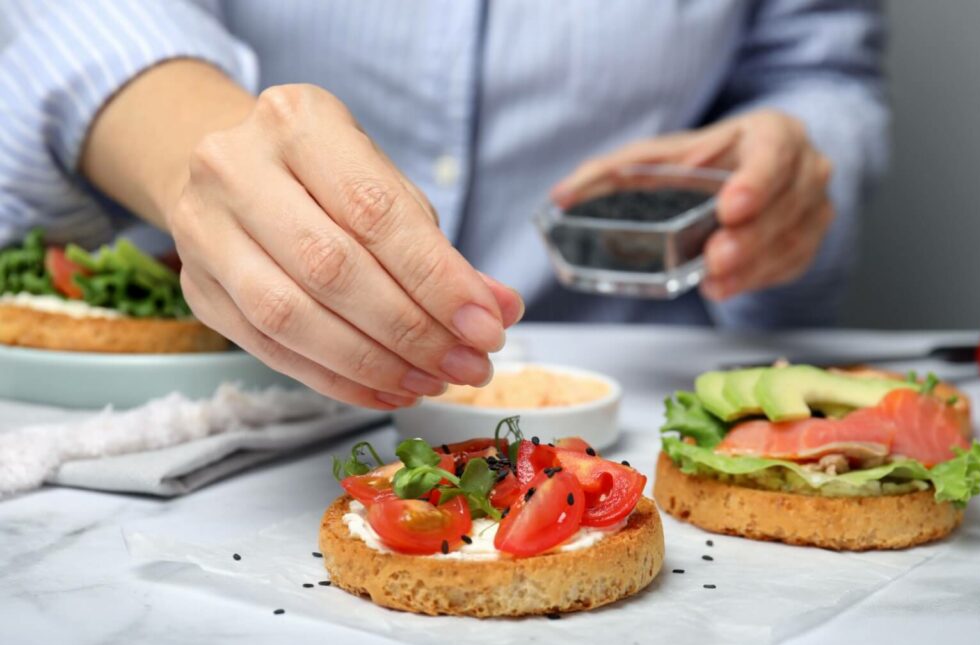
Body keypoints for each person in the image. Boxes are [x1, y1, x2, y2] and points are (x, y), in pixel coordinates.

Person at [0, 1, 886, 409]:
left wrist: (799, 162)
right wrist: (204, 152)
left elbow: (821, 75)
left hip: (640, 393)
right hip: (211, 386)